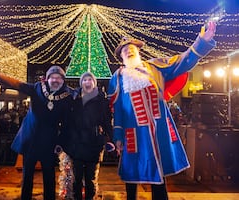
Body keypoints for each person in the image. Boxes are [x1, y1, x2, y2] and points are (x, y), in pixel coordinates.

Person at [107, 21, 216, 200]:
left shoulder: (155, 67)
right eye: (125, 50)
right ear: (121, 57)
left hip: (158, 130)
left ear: (138, 52)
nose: (129, 50)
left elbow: (182, 61)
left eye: (132, 48)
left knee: (159, 170)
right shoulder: (117, 77)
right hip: (133, 132)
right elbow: (117, 110)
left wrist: (201, 42)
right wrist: (117, 136)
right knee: (132, 171)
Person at [0, 62, 73, 200]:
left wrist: (61, 142)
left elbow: (66, 122)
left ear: (63, 80)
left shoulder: (67, 96)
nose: (55, 80)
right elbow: (17, 84)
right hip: (31, 140)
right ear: (47, 78)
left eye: (59, 78)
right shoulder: (36, 88)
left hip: (49, 142)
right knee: (27, 176)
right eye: (52, 77)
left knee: (49, 177)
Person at [68, 72, 112, 200]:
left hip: (94, 143)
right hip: (77, 143)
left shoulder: (101, 100)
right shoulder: (74, 98)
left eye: (90, 80)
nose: (87, 82)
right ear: (81, 83)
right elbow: (68, 120)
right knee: (76, 178)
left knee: (90, 178)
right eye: (85, 80)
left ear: (94, 83)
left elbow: (106, 121)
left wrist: (112, 139)